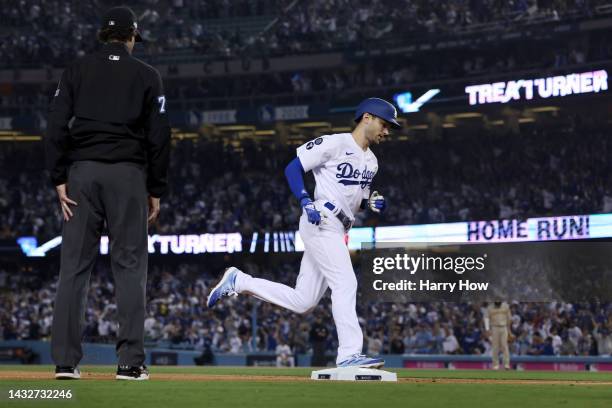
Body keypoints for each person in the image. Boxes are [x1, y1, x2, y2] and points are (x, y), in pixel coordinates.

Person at [207, 98, 401, 368]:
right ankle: (349, 355)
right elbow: (293, 167)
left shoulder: (372, 162)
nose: (387, 131)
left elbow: (358, 197)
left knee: (303, 301)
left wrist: (372, 201)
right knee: (346, 283)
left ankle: (239, 281)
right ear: (367, 117)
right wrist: (304, 200)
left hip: (341, 226)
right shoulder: (335, 143)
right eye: (384, 123)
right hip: (322, 219)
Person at [45, 6, 171, 380]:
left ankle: (65, 364)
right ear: (131, 36)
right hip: (128, 177)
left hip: (82, 175)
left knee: (74, 269)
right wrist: (156, 188)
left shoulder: (76, 70)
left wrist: (58, 177)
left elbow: (54, 124)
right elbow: (160, 137)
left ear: (103, 35)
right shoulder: (147, 75)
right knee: (130, 269)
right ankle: (130, 364)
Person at [484, 301, 513, 370]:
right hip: (494, 327)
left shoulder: (506, 306)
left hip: (504, 327)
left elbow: (509, 319)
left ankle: (506, 364)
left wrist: (509, 330)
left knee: (504, 346)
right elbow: (486, 318)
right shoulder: (490, 307)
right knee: (495, 346)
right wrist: (487, 329)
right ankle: (495, 365)